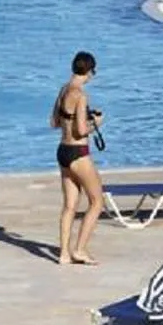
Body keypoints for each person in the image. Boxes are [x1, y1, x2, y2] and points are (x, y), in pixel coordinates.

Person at [51, 51, 103, 265]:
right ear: (89, 71)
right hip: (78, 152)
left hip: (62, 151)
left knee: (69, 206)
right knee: (96, 201)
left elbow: (54, 122)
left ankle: (64, 253)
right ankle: (80, 250)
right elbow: (81, 130)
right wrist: (97, 123)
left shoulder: (63, 90)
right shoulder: (81, 95)